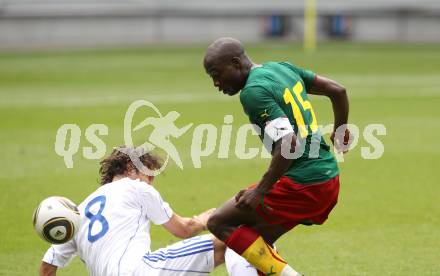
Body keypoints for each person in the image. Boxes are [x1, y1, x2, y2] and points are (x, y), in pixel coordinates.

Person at [203, 37, 350, 276]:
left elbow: (289, 144)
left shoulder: (253, 91)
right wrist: (341, 130)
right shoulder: (282, 68)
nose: (216, 83)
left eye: (216, 73)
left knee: (219, 222)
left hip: (304, 184)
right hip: (328, 179)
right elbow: (337, 90)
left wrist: (260, 190)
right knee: (257, 244)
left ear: (236, 63)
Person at [39, 147, 226, 276]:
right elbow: (184, 229)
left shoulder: (78, 214)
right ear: (130, 168)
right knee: (228, 239)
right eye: (148, 174)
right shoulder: (135, 187)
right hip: (139, 271)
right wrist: (203, 220)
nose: (151, 182)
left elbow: (48, 265)